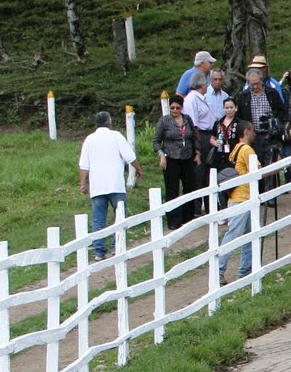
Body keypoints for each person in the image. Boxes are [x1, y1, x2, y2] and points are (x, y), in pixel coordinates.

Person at [78, 110, 143, 260]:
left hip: (97, 186)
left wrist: (83, 183)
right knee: (119, 216)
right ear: (109, 122)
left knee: (98, 219)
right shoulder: (116, 136)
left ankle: (99, 251)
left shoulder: (89, 139)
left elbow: (84, 165)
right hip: (116, 184)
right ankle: (117, 246)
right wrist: (138, 169)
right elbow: (129, 156)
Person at [216, 122, 257, 284]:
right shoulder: (246, 149)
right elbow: (256, 170)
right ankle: (219, 269)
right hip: (242, 197)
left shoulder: (235, 149)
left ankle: (245, 269)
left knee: (249, 235)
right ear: (246, 132)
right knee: (233, 235)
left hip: (237, 197)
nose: (254, 134)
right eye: (252, 131)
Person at [153, 94, 200, 227]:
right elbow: (156, 141)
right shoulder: (164, 121)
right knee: (172, 189)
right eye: (172, 107)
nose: (174, 110)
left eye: (177, 108)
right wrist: (161, 154)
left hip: (187, 157)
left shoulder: (187, 119)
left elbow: (194, 136)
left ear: (182, 108)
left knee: (189, 187)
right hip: (171, 158)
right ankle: (174, 220)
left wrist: (197, 153)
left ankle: (188, 217)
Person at [240, 59, 291, 169]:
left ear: (261, 81)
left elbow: (282, 111)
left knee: (271, 166)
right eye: (251, 84)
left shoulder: (272, 93)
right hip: (253, 136)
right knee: (255, 166)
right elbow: (240, 117)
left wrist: (275, 122)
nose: (254, 87)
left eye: (257, 84)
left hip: (270, 136)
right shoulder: (244, 96)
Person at [186, 69, 227, 185]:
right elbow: (193, 125)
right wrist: (199, 146)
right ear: (202, 85)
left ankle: (208, 201)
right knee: (200, 173)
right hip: (201, 137)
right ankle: (198, 202)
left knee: (208, 173)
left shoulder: (200, 98)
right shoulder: (192, 99)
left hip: (208, 135)